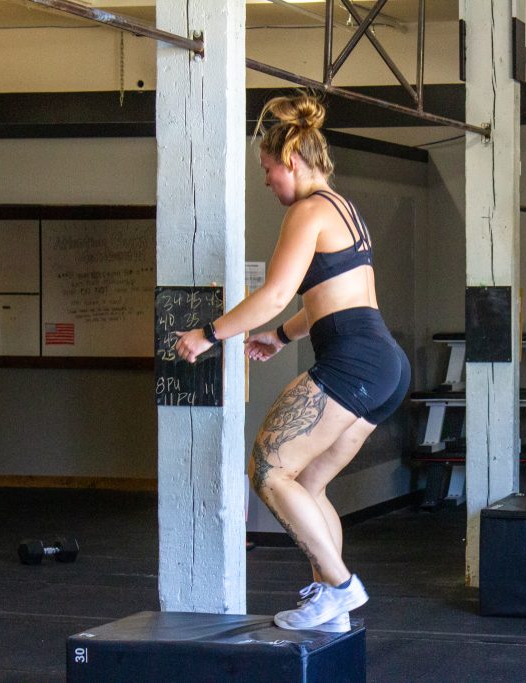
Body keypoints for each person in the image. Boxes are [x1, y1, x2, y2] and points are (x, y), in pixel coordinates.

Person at [174, 93, 410, 632]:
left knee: (268, 467)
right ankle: (331, 602)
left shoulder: (307, 211)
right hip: (384, 365)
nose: (266, 182)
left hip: (352, 363)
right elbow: (328, 298)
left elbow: (278, 291)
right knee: (306, 483)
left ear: (291, 162)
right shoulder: (342, 207)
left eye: (267, 170)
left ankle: (341, 585)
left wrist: (210, 334)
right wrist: (280, 337)